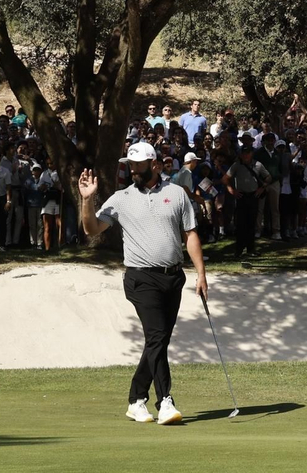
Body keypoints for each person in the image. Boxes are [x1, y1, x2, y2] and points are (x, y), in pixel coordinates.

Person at [77, 142, 207, 426]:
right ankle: (165, 402)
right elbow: (91, 228)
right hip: (140, 277)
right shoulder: (121, 198)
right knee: (158, 337)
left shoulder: (176, 194)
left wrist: (201, 273)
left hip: (172, 276)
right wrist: (88, 199)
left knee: (157, 341)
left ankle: (136, 400)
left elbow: (191, 234)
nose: (133, 169)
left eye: (138, 164)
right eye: (130, 165)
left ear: (155, 165)